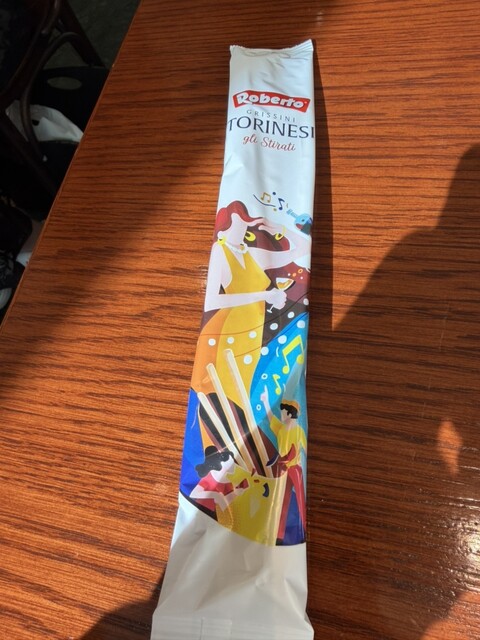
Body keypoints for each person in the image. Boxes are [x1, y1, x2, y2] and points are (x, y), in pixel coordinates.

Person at [192, 200, 310, 403]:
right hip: (234, 331)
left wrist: (279, 228)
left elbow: (303, 248)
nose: (243, 229)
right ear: (226, 224)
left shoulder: (250, 253)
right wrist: (264, 295)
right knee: (231, 390)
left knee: (248, 389)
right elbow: (212, 301)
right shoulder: (220, 251)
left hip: (256, 330)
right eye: (239, 223)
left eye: (245, 224)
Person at [260, 386, 307, 543]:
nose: (281, 414)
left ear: (290, 413)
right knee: (282, 499)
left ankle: (303, 527)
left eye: (283, 412)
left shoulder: (299, 431)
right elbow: (270, 417)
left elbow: (305, 449)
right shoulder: (280, 429)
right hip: (283, 469)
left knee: (300, 498)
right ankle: (279, 534)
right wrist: (265, 401)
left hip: (295, 468)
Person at [190, 446, 247, 516]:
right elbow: (193, 494)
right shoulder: (211, 475)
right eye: (230, 461)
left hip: (213, 516)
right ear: (221, 462)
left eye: (233, 462)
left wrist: (236, 493)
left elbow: (224, 505)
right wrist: (215, 495)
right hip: (198, 511)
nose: (233, 465)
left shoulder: (228, 482)